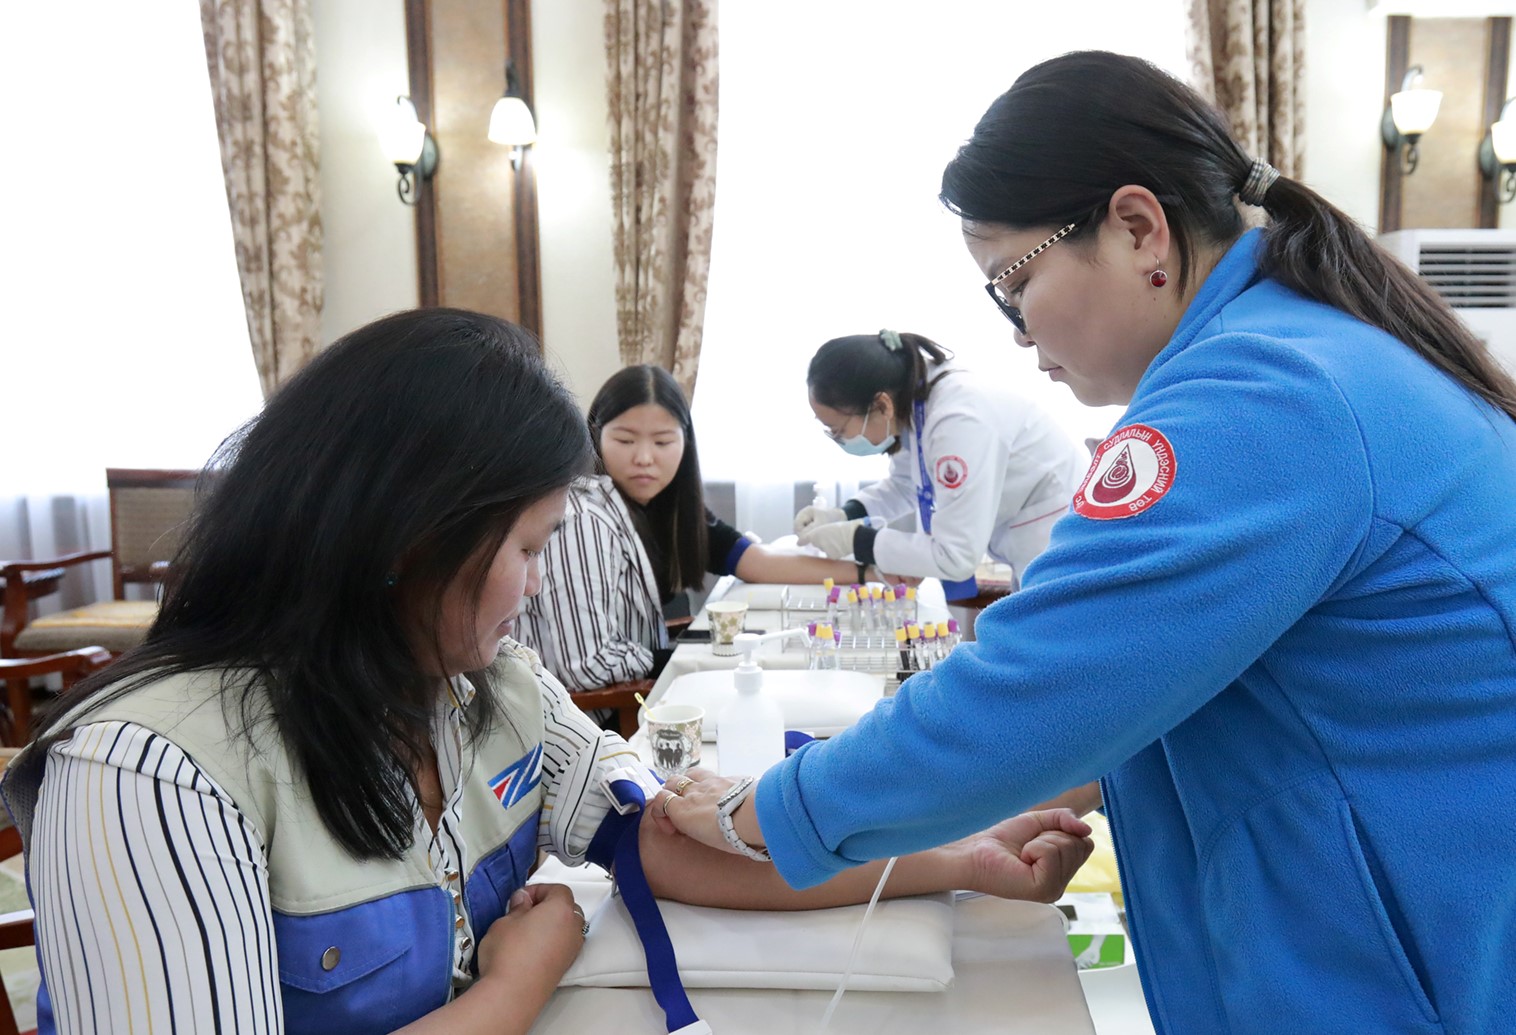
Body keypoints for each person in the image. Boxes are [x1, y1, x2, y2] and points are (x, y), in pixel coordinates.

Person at [657, 50, 1516, 1035]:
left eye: (1012, 283)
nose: (1020, 332)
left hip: (1403, 965)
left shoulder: (1258, 399)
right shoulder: (1305, 350)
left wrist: (761, 811)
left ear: (1137, 227)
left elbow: (1035, 688)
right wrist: (1063, 782)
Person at [1, 309, 1094, 1035]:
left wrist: (959, 859)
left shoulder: (486, 686)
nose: (535, 590)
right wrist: (514, 988)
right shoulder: (151, 774)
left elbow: (665, 841)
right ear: (402, 538)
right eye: (526, 550)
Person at [517, 363, 864, 691]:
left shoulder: (668, 505)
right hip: (601, 712)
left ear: (685, 442)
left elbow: (755, 560)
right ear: (596, 436)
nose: (644, 458)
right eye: (625, 441)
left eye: (662, 442)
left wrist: (866, 571)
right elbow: (587, 665)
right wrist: (675, 658)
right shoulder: (583, 518)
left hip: (631, 687)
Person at [795, 330, 1088, 597]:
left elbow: (955, 557)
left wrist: (857, 541)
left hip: (1056, 544)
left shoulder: (958, 422)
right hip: (1027, 541)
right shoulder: (916, 402)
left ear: (882, 405)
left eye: (838, 430)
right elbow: (906, 484)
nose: (840, 440)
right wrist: (842, 515)